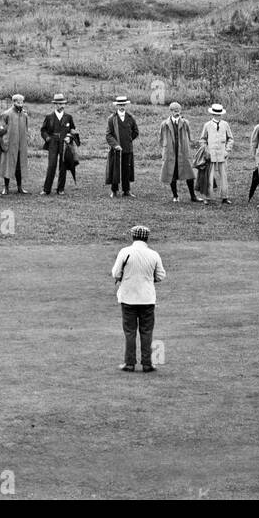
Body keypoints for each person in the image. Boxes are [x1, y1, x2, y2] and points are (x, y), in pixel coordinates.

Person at [111, 225, 165, 373]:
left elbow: (116, 273)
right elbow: (160, 275)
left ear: (133, 236)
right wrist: (149, 279)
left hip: (128, 297)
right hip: (147, 299)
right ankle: (147, 364)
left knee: (130, 332)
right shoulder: (153, 254)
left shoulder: (125, 252)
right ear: (147, 238)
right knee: (146, 331)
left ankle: (129, 363)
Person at [159, 102, 198, 203]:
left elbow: (190, 137)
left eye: (178, 111)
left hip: (183, 152)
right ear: (171, 111)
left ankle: (193, 196)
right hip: (170, 152)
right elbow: (161, 139)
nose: (177, 113)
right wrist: (165, 150)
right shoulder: (164, 124)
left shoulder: (185, 123)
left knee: (189, 174)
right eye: (174, 111)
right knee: (171, 174)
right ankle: (175, 196)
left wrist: (195, 145)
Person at [40, 93, 77, 196]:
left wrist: (69, 137)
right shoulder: (49, 117)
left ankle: (60, 189)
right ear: (55, 104)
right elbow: (43, 130)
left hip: (64, 143)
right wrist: (47, 138)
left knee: (63, 165)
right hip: (52, 143)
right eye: (59, 103)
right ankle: (46, 189)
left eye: (62, 103)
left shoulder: (68, 117)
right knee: (51, 165)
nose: (61, 105)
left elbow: (73, 130)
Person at [200, 103, 233, 204]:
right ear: (212, 114)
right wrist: (206, 150)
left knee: (223, 175)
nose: (217, 116)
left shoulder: (225, 124)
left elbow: (230, 139)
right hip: (211, 154)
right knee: (209, 176)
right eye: (215, 114)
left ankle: (224, 196)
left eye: (219, 114)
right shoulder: (207, 125)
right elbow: (202, 139)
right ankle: (208, 197)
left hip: (222, 154)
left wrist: (227, 150)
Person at [1, 94, 30, 194]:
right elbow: (2, 129)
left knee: (19, 166)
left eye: (22, 102)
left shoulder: (24, 115)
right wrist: (4, 143)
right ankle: (6, 187)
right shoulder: (7, 114)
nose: (20, 105)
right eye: (18, 102)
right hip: (10, 144)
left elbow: (26, 129)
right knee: (7, 166)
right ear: (13, 102)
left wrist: (26, 139)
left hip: (21, 145)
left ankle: (20, 187)